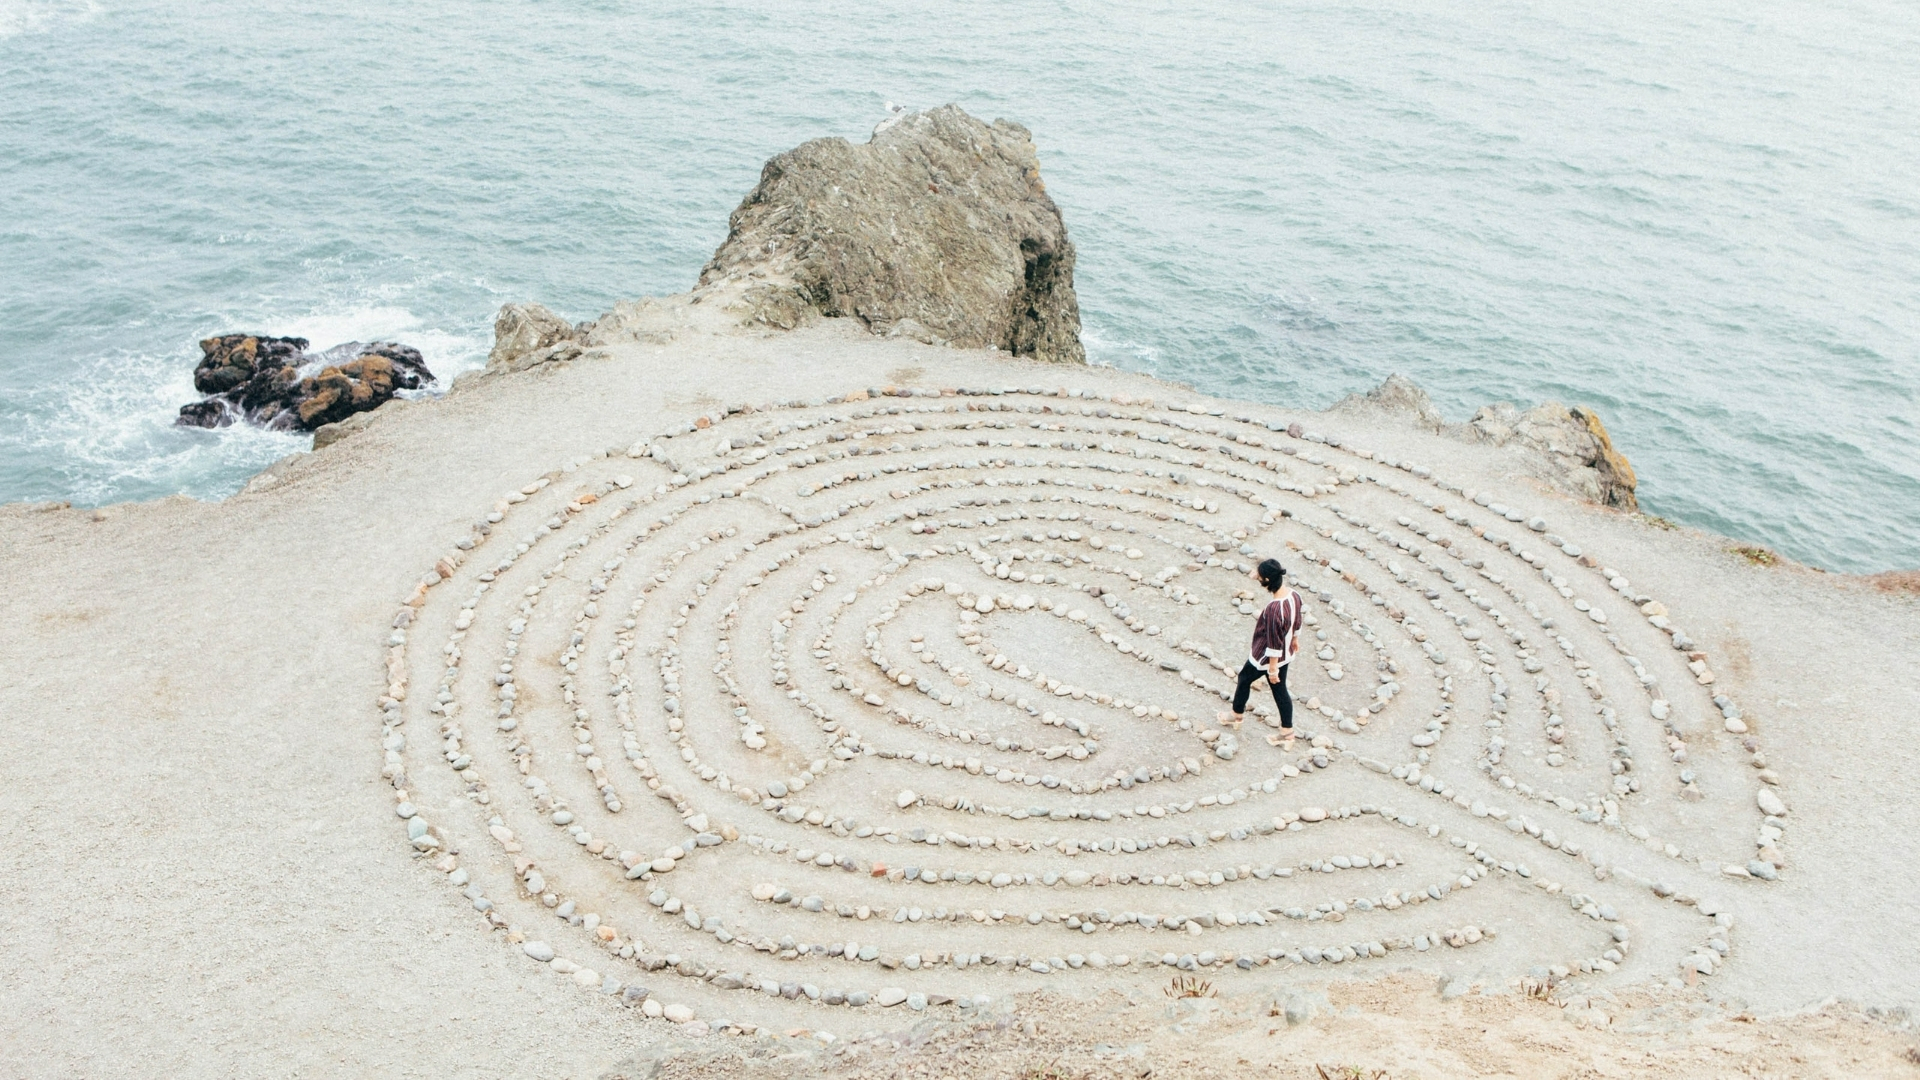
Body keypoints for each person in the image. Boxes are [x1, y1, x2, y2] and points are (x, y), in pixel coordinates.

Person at [1220, 557, 1301, 748]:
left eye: (1260, 577)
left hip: (1265, 657)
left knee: (1244, 678)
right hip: (1285, 653)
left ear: (1267, 580)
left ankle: (1236, 714)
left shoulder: (1274, 609)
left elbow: (1273, 640)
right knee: (1280, 690)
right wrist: (1295, 639)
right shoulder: (1294, 595)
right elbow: (1297, 619)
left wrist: (1272, 669)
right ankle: (1287, 732)